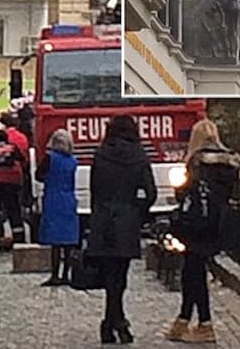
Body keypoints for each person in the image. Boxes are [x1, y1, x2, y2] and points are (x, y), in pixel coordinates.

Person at [164, 119, 240, 344]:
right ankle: (184, 319)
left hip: (196, 225)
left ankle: (203, 323)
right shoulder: (229, 164)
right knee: (193, 270)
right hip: (218, 223)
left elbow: (186, 195)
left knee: (194, 272)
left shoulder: (197, 162)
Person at [87, 115, 156, 344]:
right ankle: (117, 323)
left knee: (109, 276)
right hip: (126, 220)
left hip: (103, 218)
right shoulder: (139, 155)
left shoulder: (100, 154)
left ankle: (111, 323)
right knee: (120, 276)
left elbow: (94, 189)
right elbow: (150, 193)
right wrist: (138, 212)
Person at [36, 129, 79, 287]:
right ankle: (66, 274)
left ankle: (55, 275)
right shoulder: (74, 160)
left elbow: (38, 175)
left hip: (53, 198)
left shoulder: (50, 158)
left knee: (55, 241)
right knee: (68, 240)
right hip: (69, 198)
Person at [0, 122, 26, 245]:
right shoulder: (12, 146)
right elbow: (22, 159)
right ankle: (19, 238)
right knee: (14, 210)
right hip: (11, 182)